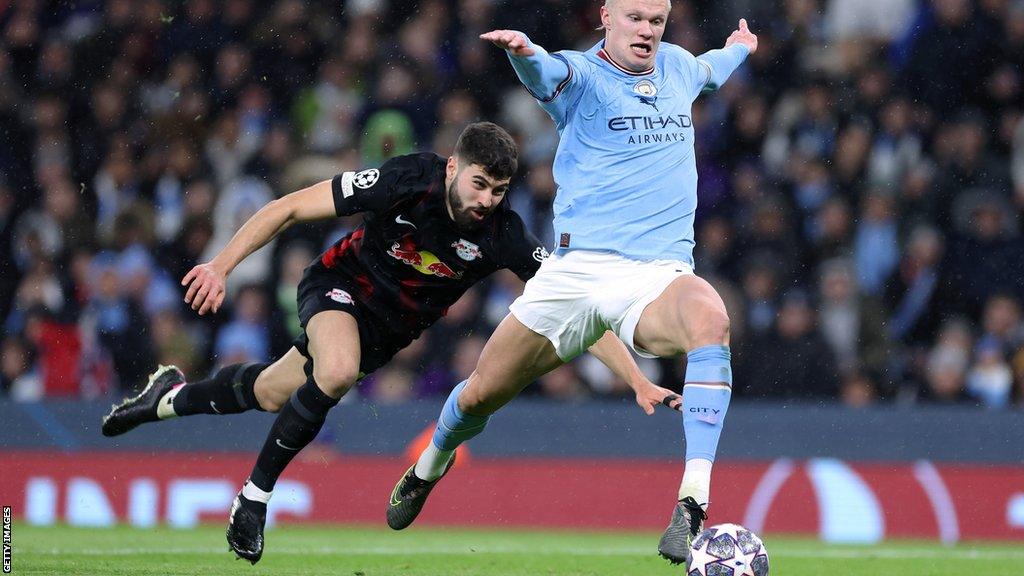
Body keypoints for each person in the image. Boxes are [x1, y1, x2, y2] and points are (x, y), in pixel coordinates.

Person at [100, 122, 676, 563]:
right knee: (337, 370)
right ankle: (253, 499)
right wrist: (222, 265)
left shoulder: (504, 236)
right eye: (479, 184)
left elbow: (579, 309)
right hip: (338, 285)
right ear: (454, 168)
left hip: (385, 332)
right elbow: (290, 207)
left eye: (499, 190)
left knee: (275, 393)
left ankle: (168, 395)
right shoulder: (406, 179)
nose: (487, 200)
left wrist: (636, 379)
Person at [388, 1, 757, 565]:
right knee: (484, 391)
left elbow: (711, 67)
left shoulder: (679, 67)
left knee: (712, 317)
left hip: (655, 274)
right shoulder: (581, 76)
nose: (647, 31)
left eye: (657, 21)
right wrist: (526, 54)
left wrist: (740, 48)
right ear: (606, 16)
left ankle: (693, 502)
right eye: (636, 18)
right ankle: (430, 464)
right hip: (575, 270)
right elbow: (546, 73)